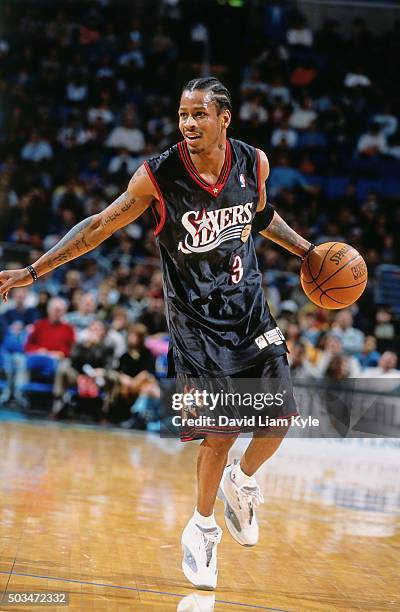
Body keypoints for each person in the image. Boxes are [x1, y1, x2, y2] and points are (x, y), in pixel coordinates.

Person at [0, 77, 316, 591]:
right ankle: (202, 528)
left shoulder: (253, 163)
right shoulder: (159, 176)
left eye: (198, 115)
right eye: (182, 115)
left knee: (280, 418)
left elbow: (262, 219)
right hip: (196, 327)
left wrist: (307, 253)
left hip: (251, 314)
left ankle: (243, 480)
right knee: (221, 433)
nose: (188, 124)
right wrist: (33, 271)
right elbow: (99, 225)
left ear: (224, 118)